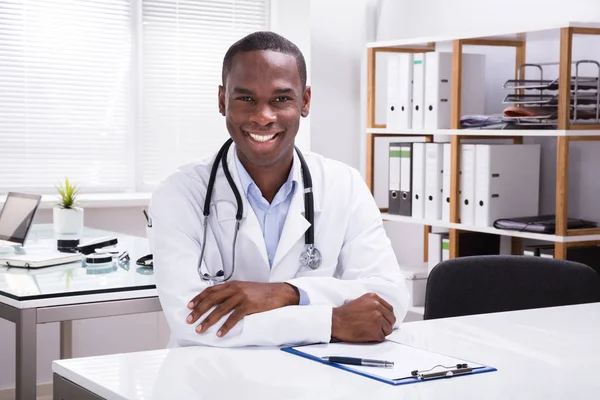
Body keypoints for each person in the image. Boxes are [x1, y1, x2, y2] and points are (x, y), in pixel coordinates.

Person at [148, 31, 409, 348]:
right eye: (245, 99)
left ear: (305, 101)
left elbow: (389, 299)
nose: (263, 117)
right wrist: (332, 321)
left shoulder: (344, 184)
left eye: (281, 99)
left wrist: (286, 293)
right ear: (222, 101)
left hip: (317, 379)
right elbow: (193, 321)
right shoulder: (179, 194)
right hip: (212, 382)